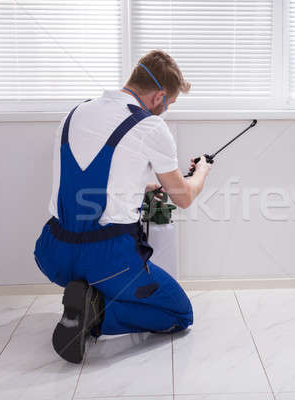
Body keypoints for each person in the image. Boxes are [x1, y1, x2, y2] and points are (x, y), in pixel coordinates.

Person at [34, 50, 211, 363]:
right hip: (108, 259)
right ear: (159, 96)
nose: (165, 112)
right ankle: (96, 311)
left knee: (104, 274)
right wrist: (201, 173)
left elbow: (83, 180)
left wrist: (143, 187)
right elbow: (183, 196)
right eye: (169, 104)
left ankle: (82, 295)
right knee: (179, 313)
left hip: (54, 252)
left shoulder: (75, 113)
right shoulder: (150, 127)